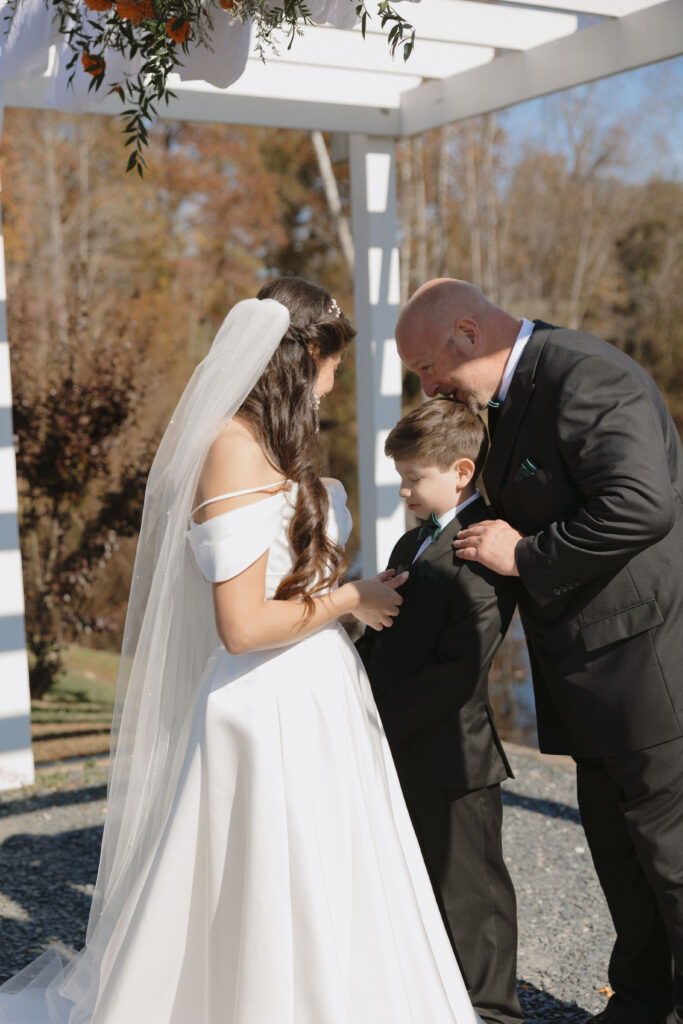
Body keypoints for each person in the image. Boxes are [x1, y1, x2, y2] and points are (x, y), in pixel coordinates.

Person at [0, 277, 481, 1024]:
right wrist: (351, 599)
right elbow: (243, 626)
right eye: (331, 364)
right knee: (266, 882)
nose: (333, 380)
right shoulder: (229, 446)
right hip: (262, 707)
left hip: (320, 696)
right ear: (304, 354)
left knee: (332, 877)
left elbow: (282, 585)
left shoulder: (280, 447)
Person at [395, 277, 683, 1024]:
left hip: (647, 671)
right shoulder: (498, 403)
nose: (426, 385)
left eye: (427, 365)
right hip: (583, 682)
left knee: (672, 862)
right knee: (622, 861)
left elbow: (639, 504)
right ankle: (641, 1006)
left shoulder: (584, 374)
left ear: (466, 331)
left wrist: (525, 556)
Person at [356, 397, 521, 1024]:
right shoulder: (410, 541)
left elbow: (460, 668)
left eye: (412, 478)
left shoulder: (480, 547)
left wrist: (380, 720)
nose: (403, 491)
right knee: (416, 883)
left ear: (459, 470)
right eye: (399, 478)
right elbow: (384, 634)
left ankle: (493, 1012)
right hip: (400, 744)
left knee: (470, 895)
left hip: (454, 754)